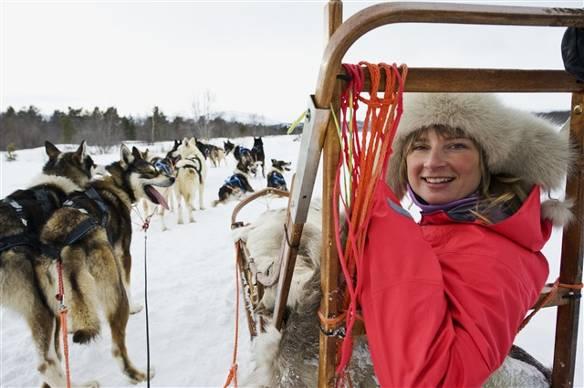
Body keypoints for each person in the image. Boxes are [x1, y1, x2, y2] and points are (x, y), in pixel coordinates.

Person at [360, 93, 573, 387]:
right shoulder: (450, 229)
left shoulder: (492, 252)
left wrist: (386, 223)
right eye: (420, 146)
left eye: (455, 146)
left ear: (488, 162)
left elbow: (431, 380)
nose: (433, 162)